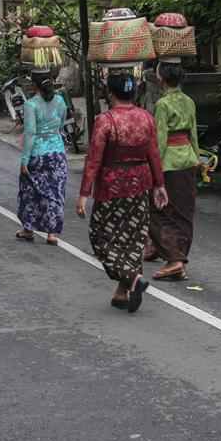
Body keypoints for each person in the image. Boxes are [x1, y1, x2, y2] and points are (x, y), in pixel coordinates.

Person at [76, 71, 168, 313]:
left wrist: (83, 195)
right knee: (133, 240)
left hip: (112, 186)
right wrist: (159, 185)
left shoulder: (105, 121)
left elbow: (93, 160)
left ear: (110, 93)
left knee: (100, 237)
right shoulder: (147, 118)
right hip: (140, 185)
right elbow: (154, 155)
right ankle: (121, 293)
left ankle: (133, 279)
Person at [147, 62, 200, 280]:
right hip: (188, 160)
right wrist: (197, 159)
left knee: (158, 210)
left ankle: (175, 259)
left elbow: (159, 140)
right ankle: (173, 257)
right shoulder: (189, 101)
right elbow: (193, 133)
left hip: (169, 163)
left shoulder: (162, 104)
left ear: (161, 79)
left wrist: (153, 169)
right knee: (184, 214)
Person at [16, 70, 68, 245]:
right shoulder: (60, 101)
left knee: (29, 191)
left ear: (34, 85)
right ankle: (52, 233)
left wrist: (24, 161)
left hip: (38, 154)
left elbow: (30, 133)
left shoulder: (31, 105)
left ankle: (28, 228)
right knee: (55, 192)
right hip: (58, 152)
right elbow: (61, 123)